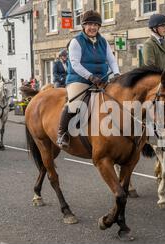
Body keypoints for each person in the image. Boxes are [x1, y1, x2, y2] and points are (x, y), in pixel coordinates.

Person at [57, 10, 120, 149]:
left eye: (96, 24)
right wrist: (90, 77)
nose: (93, 27)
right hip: (79, 79)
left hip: (101, 80)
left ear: (99, 27)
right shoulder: (76, 42)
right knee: (75, 104)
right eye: (89, 24)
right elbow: (75, 64)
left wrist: (116, 75)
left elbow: (112, 61)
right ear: (83, 26)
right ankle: (62, 133)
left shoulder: (103, 41)